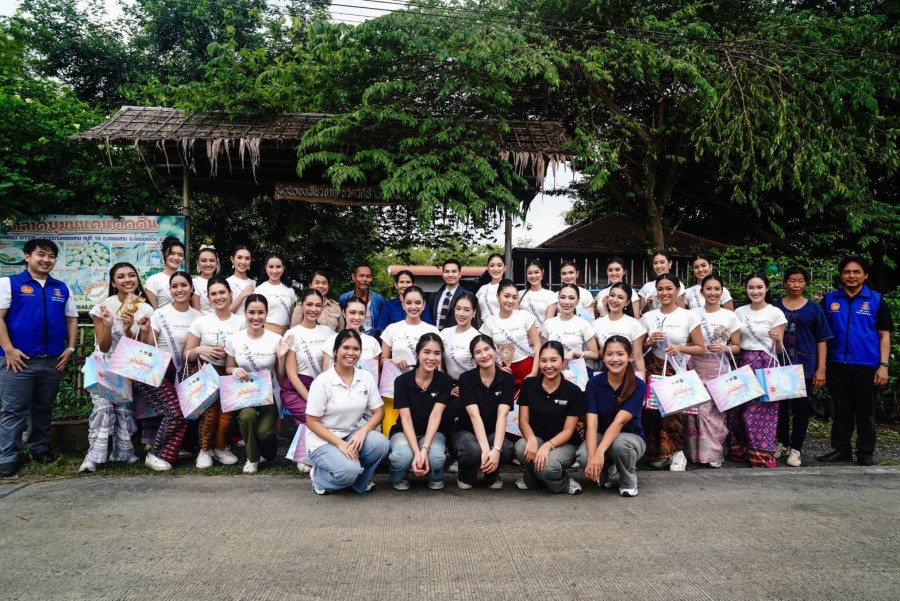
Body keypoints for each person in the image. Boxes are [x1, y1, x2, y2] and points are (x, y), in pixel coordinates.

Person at [0, 239, 78, 477]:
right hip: (18, 360)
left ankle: (39, 448)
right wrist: (9, 349)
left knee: (43, 408)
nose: (46, 260)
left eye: (51, 256)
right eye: (41, 254)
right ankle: (8, 456)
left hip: (53, 360)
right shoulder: (9, 283)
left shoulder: (61, 288)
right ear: (27, 257)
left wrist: (70, 348)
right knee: (13, 410)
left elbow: (71, 319)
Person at [818, 255, 893, 466]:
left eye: (856, 272)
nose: (851, 276)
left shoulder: (876, 300)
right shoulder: (830, 300)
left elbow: (884, 335)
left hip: (867, 366)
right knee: (841, 409)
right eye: (847, 272)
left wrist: (883, 366)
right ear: (841, 275)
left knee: (865, 410)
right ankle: (841, 449)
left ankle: (865, 453)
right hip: (836, 364)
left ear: (865, 275)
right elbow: (821, 335)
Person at [79, 262, 154, 473]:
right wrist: (109, 324)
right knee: (102, 408)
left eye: (131, 275)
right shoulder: (103, 306)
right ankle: (93, 456)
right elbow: (103, 346)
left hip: (126, 365)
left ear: (137, 279)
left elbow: (142, 349)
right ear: (113, 283)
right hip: (103, 364)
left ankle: (124, 452)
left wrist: (129, 330)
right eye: (121, 276)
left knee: (123, 410)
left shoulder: (145, 308)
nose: (127, 279)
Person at [305, 329, 390, 495]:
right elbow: (311, 421)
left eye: (356, 349)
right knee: (348, 471)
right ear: (335, 351)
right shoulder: (322, 381)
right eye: (346, 348)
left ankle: (358, 482)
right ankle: (319, 479)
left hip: (350, 435)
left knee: (381, 444)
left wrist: (363, 432)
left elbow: (379, 411)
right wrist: (340, 444)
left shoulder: (365, 377)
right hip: (322, 440)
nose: (351, 353)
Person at [639, 274, 706, 471]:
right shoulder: (648, 317)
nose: (664, 293)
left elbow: (700, 348)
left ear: (677, 291)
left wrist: (680, 348)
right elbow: (638, 348)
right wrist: (649, 341)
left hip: (676, 369)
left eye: (669, 288)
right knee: (652, 413)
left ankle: (677, 453)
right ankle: (658, 453)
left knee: (673, 413)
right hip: (653, 367)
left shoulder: (688, 316)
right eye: (660, 289)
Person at [138, 271, 201, 471]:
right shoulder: (159, 314)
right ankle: (155, 454)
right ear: (170, 290)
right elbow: (148, 348)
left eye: (183, 285)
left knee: (181, 412)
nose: (179, 290)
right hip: (159, 372)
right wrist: (146, 331)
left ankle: (171, 451)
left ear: (192, 288)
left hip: (183, 373)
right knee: (174, 411)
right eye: (174, 286)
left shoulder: (199, 317)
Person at [224, 294, 291, 473]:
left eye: (260, 312)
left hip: (267, 394)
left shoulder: (275, 339)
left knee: (265, 433)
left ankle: (267, 453)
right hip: (244, 393)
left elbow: (281, 377)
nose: (256, 317)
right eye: (251, 312)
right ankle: (252, 458)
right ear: (245, 313)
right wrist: (234, 370)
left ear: (266, 313)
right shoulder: (234, 339)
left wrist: (281, 357)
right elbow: (228, 367)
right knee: (247, 417)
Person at [184, 276, 245, 468]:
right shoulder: (201, 322)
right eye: (214, 294)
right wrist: (201, 349)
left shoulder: (241, 322)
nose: (219, 297)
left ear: (230, 294)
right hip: (207, 371)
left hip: (231, 372)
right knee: (209, 414)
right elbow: (187, 355)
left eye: (222, 292)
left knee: (227, 415)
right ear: (208, 297)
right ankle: (204, 450)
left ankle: (220, 448)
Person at [774, 267, 832, 467]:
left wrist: (821, 369)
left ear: (806, 283)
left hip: (804, 365)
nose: (796, 285)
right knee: (780, 408)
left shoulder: (814, 309)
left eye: (800, 281)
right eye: (792, 280)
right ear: (785, 283)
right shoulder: (775, 307)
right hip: (779, 365)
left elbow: (822, 340)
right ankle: (782, 443)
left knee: (801, 409)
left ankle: (796, 448)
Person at [730, 273, 787, 468]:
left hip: (766, 365)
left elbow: (779, 350)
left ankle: (761, 455)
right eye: (751, 287)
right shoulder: (739, 312)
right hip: (743, 363)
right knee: (738, 411)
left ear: (767, 288)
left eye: (759, 287)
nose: (755, 291)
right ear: (746, 289)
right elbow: (735, 342)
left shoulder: (775, 313)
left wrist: (777, 339)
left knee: (761, 413)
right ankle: (740, 452)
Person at [578, 336, 647, 497]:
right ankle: (603, 473)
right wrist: (592, 457)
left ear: (630, 357)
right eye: (609, 354)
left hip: (630, 439)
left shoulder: (638, 385)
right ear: (603, 357)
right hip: (602, 435)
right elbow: (591, 424)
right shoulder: (594, 383)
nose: (614, 359)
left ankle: (628, 481)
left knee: (620, 444)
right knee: (584, 455)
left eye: (620, 354)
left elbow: (619, 422)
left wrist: (600, 452)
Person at [514, 341, 585, 495]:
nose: (548, 365)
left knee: (548, 467)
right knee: (521, 447)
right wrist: (531, 439)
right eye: (543, 360)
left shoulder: (573, 391)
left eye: (554, 360)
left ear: (563, 361)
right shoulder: (529, 384)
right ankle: (532, 481)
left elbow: (568, 431)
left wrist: (547, 446)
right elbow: (523, 421)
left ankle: (563, 483)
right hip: (537, 439)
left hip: (565, 444)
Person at [686, 274, 742, 468]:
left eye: (717, 289)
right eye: (708, 288)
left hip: (719, 369)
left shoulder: (730, 316)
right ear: (702, 291)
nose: (712, 292)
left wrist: (724, 348)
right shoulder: (692, 314)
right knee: (695, 412)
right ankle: (695, 454)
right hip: (695, 367)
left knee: (714, 414)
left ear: (722, 291)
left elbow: (737, 346)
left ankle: (715, 453)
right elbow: (687, 341)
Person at [389, 333, 453, 490]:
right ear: (417, 353)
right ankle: (399, 477)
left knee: (435, 457)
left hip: (433, 432)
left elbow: (436, 415)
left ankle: (436, 476)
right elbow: (406, 419)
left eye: (437, 353)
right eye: (427, 352)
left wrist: (424, 449)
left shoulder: (445, 381)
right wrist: (417, 453)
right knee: (403, 456)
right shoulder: (402, 381)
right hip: (404, 431)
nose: (431, 358)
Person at [452, 335, 515, 489]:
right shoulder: (466, 378)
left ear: (495, 350)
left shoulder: (507, 379)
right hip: (467, 430)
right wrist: (487, 450)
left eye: (487, 349)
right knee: (473, 450)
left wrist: (496, 450)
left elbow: (502, 415)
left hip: (493, 431)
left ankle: (491, 474)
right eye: (478, 352)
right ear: (473, 357)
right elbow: (474, 416)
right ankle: (466, 474)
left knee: (505, 448)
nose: (484, 355)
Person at [282, 289, 334, 471]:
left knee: (328, 418)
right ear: (301, 306)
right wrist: (310, 397)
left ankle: (319, 454)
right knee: (312, 416)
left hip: (321, 387)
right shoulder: (292, 334)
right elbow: (291, 373)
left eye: (318, 305)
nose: (313, 309)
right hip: (297, 388)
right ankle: (303, 454)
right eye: (309, 304)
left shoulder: (328, 333)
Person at [479, 279, 541, 394]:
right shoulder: (490, 321)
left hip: (528, 368)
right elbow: (486, 349)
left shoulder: (525, 316)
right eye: (506, 296)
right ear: (498, 296)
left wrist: (534, 372)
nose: (510, 301)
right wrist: (498, 367)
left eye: (514, 297)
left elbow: (537, 345)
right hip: (505, 371)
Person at [591, 283, 646, 375]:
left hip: (628, 374)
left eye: (620, 297)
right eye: (612, 295)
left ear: (627, 302)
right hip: (606, 373)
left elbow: (638, 358)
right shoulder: (596, 324)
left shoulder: (633, 324)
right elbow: (596, 356)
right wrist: (606, 349)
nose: (614, 300)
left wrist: (642, 380)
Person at [542, 283, 600, 363]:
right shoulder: (548, 323)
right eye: (562, 297)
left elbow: (594, 354)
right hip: (552, 369)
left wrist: (575, 353)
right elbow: (543, 351)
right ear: (558, 299)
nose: (566, 302)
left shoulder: (584, 324)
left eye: (571, 298)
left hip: (576, 369)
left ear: (578, 301)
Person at [322, 296, 382, 371]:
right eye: (352, 313)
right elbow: (326, 371)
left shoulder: (372, 342)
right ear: (344, 313)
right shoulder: (332, 340)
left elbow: (375, 374)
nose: (357, 317)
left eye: (361, 313)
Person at [254, 253, 296, 336]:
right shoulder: (259, 290)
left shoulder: (290, 291)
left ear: (283, 268)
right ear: (266, 268)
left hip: (286, 334)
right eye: (271, 267)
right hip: (266, 334)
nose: (274, 271)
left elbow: (292, 317)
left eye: (278, 267)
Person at [338, 264, 385, 337]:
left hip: (372, 339)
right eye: (361, 276)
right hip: (350, 338)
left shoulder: (378, 299)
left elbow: (382, 324)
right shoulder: (344, 298)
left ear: (372, 278)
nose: (365, 279)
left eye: (368, 276)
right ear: (354, 277)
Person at [144, 237, 186, 310]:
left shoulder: (186, 279)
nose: (176, 258)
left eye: (180, 255)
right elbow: (149, 311)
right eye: (172, 253)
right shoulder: (154, 280)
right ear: (163, 255)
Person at [638, 250, 686, 314]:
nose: (658, 266)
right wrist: (647, 306)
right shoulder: (647, 287)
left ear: (670, 263)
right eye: (655, 263)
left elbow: (682, 312)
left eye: (662, 262)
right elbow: (641, 314)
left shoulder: (678, 284)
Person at [518, 260, 558, 331]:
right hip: (522, 334)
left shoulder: (551, 295)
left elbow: (548, 323)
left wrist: (535, 335)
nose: (533, 276)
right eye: (530, 273)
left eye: (536, 272)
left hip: (542, 334)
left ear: (542, 272)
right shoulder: (519, 294)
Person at [430, 259, 466, 331]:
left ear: (460, 274)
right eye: (447, 271)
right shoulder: (434, 296)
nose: (450, 275)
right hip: (436, 335)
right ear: (442, 274)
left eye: (454, 271)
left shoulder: (467, 295)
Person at [475, 253, 506, 321]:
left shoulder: (508, 288)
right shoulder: (482, 289)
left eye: (499, 265)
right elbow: (478, 313)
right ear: (488, 268)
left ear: (504, 268)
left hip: (502, 325)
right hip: (484, 326)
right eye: (492, 266)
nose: (495, 269)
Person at [226, 245, 255, 314]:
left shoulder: (254, 283)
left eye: (247, 258)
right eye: (239, 257)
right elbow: (225, 313)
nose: (243, 262)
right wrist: (242, 295)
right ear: (232, 259)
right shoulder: (227, 283)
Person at [190, 245, 219, 316]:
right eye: (203, 261)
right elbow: (196, 313)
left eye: (212, 260)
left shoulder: (222, 282)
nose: (208, 264)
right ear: (197, 263)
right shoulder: (193, 283)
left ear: (217, 262)